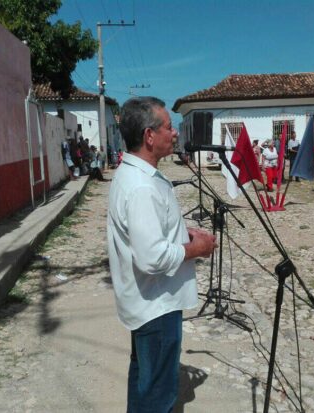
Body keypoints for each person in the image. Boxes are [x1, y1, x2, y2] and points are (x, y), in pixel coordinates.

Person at [107, 96, 217, 412]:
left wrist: (185, 234)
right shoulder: (141, 186)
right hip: (156, 305)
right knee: (158, 392)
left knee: (144, 378)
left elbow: (151, 233)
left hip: (148, 302)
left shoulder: (139, 174)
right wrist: (194, 249)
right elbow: (151, 257)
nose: (175, 133)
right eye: (168, 126)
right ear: (149, 136)